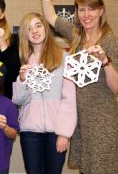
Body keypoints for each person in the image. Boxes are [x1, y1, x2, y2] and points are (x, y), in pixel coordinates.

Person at [35, 0, 118, 174]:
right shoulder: (76, 36)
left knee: (103, 169)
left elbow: (116, 86)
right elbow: (50, 16)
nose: (86, 15)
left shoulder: (109, 41)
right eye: (81, 10)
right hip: (81, 118)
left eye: (91, 9)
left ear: (101, 11)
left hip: (103, 119)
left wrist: (105, 61)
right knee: (86, 169)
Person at [12, 12, 77, 174]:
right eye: (29, 28)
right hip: (30, 132)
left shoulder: (64, 58)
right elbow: (18, 101)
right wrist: (22, 80)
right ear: (25, 35)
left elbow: (69, 98)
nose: (34, 31)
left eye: (38, 25)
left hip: (56, 132)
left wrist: (64, 133)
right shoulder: (23, 59)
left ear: (46, 28)